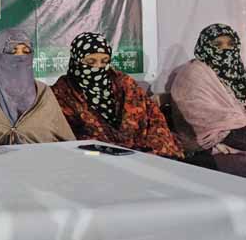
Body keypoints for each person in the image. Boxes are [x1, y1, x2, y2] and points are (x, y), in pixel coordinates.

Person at [52, 32, 183, 158]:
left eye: (104, 61)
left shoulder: (124, 84)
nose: (98, 67)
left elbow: (153, 117)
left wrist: (147, 150)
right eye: (91, 62)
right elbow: (67, 137)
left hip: (143, 154)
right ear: (76, 61)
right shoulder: (63, 92)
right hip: (94, 158)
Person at [0, 29, 75, 145]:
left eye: (26, 51)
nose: (21, 57)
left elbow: (67, 140)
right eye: (12, 52)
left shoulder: (43, 93)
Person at [170, 24, 246, 176]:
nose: (225, 49)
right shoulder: (193, 73)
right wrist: (235, 122)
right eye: (218, 44)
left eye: (230, 44)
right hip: (214, 132)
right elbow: (201, 116)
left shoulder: (235, 73)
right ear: (205, 46)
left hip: (237, 127)